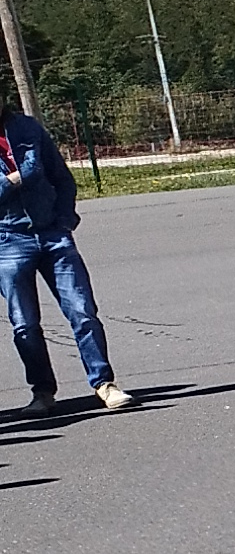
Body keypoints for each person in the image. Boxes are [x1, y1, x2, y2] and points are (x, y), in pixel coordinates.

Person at [0, 105, 129, 416]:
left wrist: (65, 220)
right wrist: (15, 179)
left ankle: (104, 384)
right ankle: (42, 393)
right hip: (8, 240)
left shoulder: (27, 128)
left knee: (83, 311)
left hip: (53, 234)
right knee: (25, 325)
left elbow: (62, 177)